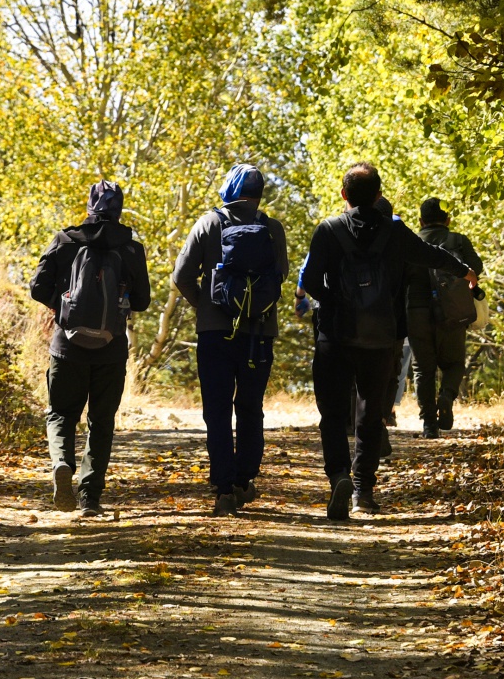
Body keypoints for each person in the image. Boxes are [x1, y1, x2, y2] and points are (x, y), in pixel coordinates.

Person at [300, 163, 475, 521]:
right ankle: (362, 491)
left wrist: (335, 301)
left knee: (333, 413)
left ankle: (338, 476)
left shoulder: (328, 230)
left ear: (344, 194)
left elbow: (311, 282)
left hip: (335, 334)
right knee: (370, 412)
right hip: (379, 335)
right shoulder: (393, 231)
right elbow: (430, 255)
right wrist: (464, 271)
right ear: (379, 195)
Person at [172, 164, 290, 515]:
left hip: (215, 333)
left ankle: (224, 489)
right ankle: (244, 479)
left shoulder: (209, 223)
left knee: (218, 410)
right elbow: (281, 276)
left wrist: (205, 304)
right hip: (259, 333)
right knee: (251, 408)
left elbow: (181, 276)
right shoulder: (272, 229)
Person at [29, 181, 152, 517]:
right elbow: (142, 301)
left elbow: (37, 287)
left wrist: (63, 306)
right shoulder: (131, 249)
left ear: (89, 207)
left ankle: (62, 462)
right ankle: (90, 498)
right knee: (101, 421)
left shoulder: (65, 240)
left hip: (66, 348)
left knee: (60, 413)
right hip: (111, 350)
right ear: (119, 210)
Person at [404, 197, 486, 438]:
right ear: (448, 220)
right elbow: (476, 267)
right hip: (453, 309)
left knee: (422, 368)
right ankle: (447, 396)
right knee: (455, 363)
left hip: (417, 311)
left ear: (421, 221)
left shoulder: (410, 242)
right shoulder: (458, 241)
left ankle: (429, 424)